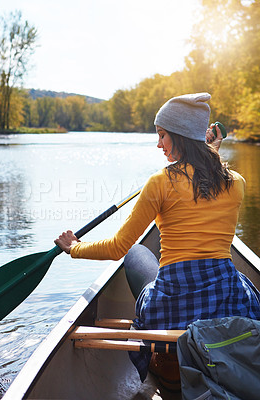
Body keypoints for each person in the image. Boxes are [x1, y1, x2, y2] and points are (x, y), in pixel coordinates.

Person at [55, 93, 260, 389]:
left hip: (173, 305)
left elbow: (117, 248)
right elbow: (206, 173)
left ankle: (167, 365)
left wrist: (74, 248)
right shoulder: (235, 183)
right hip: (227, 299)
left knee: (136, 252)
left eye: (162, 135)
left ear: (179, 135)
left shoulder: (159, 183)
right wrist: (206, 150)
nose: (158, 144)